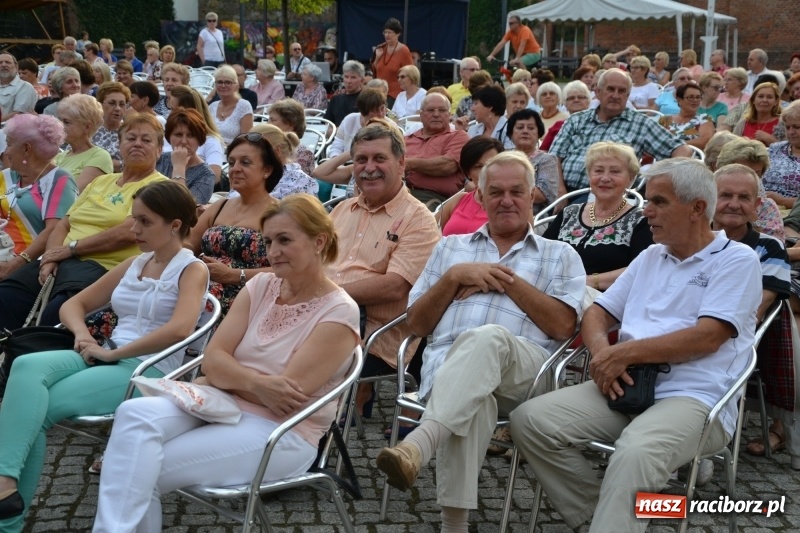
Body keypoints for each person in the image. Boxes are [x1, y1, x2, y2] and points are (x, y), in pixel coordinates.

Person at [511, 157, 762, 533]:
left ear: (697, 209)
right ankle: (602, 516)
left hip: (695, 399)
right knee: (530, 422)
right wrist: (602, 356)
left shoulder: (737, 260)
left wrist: (622, 354)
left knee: (636, 452)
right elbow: (598, 313)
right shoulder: (651, 256)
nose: (646, 210)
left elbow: (708, 337)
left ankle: (616, 519)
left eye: (659, 201)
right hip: (627, 386)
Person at [91, 193, 359, 532]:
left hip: (283, 433)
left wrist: (227, 376)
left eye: (285, 240)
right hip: (220, 403)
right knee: (133, 413)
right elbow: (213, 361)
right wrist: (253, 382)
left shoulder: (339, 311)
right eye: (268, 241)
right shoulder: (261, 286)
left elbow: (285, 399)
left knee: (139, 468)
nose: (273, 251)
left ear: (319, 242)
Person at [376, 151, 584, 533]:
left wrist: (506, 281)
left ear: (532, 196)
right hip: (450, 369)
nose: (507, 200)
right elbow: (417, 324)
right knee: (474, 402)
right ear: (481, 197)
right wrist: (454, 277)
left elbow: (563, 326)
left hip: (526, 376)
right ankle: (453, 526)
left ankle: (419, 443)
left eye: (517, 192)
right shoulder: (450, 249)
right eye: (497, 192)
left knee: (488, 339)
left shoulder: (560, 254)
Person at [0, 180, 208, 531]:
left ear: (174, 225)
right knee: (24, 364)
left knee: (38, 410)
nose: (134, 229)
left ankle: (8, 522)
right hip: (106, 353)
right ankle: (5, 484)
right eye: (134, 219)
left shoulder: (192, 269)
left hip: (149, 370)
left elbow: (180, 330)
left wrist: (116, 354)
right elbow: (73, 305)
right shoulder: (135, 264)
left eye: (144, 221)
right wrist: (82, 334)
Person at [0, 113, 168, 330]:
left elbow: (128, 232)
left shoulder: (159, 186)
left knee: (56, 313)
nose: (137, 144)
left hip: (104, 268)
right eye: (130, 138)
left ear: (159, 149)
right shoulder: (101, 181)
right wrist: (50, 258)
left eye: (146, 140)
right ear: (120, 145)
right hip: (64, 259)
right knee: (6, 296)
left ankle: (37, 350)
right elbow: (64, 224)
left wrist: (71, 249)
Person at [327, 121, 439, 419]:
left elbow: (394, 287)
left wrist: (322, 295)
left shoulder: (419, 220)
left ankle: (311, 430)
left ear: (401, 164)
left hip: (373, 332)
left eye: (379, 158)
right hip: (321, 314)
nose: (369, 168)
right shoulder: (342, 210)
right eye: (361, 160)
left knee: (292, 356)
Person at [184, 132, 280, 317]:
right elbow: (188, 245)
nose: (235, 169)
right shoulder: (220, 206)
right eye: (231, 162)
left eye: (245, 162)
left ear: (267, 170)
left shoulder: (280, 213)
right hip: (200, 291)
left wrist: (234, 275)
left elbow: (289, 269)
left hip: (247, 302)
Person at [551, 69, 692, 193]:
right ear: (598, 93)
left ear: (628, 95)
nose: (616, 95)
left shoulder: (640, 123)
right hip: (562, 192)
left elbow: (682, 149)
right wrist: (559, 191)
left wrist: (661, 180)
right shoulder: (576, 120)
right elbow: (552, 158)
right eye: (610, 89)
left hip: (607, 197)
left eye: (621, 91)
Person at [542, 141, 653, 293]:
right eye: (598, 171)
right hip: (552, 291)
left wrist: (590, 281)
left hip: (604, 299)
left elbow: (643, 268)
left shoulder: (640, 220)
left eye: (615, 171)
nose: (605, 178)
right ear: (589, 176)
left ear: (631, 178)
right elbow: (542, 254)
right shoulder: (570, 212)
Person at [0, 114, 78, 281]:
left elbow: (54, 229)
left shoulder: (59, 179)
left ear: (26, 149)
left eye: (9, 144)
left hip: (31, 266)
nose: (6, 152)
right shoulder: (5, 176)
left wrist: (16, 264)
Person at [404, 93, 471, 207]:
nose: (436, 114)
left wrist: (408, 163)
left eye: (442, 110)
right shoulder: (407, 139)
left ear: (449, 115)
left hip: (436, 200)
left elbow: (446, 166)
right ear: (421, 115)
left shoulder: (459, 137)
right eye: (430, 110)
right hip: (402, 194)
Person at [714, 137, 785, 240]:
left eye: (756, 174)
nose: (748, 178)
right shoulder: (703, 202)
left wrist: (754, 222)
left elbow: (775, 245)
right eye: (740, 172)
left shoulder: (766, 206)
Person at [439, 137, 504, 235]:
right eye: (478, 167)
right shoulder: (459, 200)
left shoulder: (513, 204)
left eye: (491, 165)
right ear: (468, 173)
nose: (485, 172)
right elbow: (429, 229)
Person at [54, 94, 113, 191]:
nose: (60, 126)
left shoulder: (99, 156)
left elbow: (74, 193)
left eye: (66, 122)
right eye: (59, 120)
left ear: (87, 127)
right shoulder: (59, 156)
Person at [155, 108, 215, 204]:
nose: (184, 141)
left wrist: (179, 166)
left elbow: (182, 207)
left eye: (190, 135)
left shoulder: (206, 175)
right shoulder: (159, 159)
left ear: (199, 139)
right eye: (178, 135)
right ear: (169, 137)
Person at [169, 85, 225, 183]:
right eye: (171, 109)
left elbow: (214, 178)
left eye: (174, 110)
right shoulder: (168, 135)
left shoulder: (211, 142)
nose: (170, 114)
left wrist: (182, 167)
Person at [508, 109, 561, 212]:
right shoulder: (502, 158)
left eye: (531, 128)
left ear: (538, 134)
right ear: (511, 133)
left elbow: (542, 195)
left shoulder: (547, 160)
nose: (525, 131)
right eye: (520, 127)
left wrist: (505, 187)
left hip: (534, 216)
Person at [247, 123, 318, 199]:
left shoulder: (298, 182)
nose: (250, 156)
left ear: (277, 151)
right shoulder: (250, 173)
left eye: (257, 151)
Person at [327, 88, 390, 158]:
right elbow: (337, 146)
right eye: (375, 111)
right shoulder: (349, 120)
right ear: (364, 111)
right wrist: (335, 158)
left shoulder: (390, 126)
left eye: (382, 108)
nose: (381, 113)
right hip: (346, 162)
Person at [761, 102, 800, 209]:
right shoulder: (775, 148)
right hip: (761, 206)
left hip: (793, 213)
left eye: (796, 127)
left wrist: (782, 201)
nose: (791, 132)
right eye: (787, 127)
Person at [658, 81, 715, 149]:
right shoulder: (665, 120)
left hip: (692, 154)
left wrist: (676, 144)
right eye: (691, 97)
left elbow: (706, 141)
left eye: (698, 97)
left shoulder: (705, 118)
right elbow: (656, 141)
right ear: (679, 100)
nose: (695, 100)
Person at [208, 65, 254, 145]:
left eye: (228, 82)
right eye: (219, 82)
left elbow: (246, 140)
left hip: (234, 150)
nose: (223, 85)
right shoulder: (212, 107)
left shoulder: (244, 106)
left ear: (236, 86)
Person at [540, 80, 591, 151]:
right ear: (565, 104)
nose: (576, 100)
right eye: (571, 98)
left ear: (588, 101)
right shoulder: (558, 126)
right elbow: (543, 151)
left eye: (580, 97)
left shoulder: (596, 124)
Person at [371, 18, 413, 103]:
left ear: (398, 34)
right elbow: (373, 70)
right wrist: (377, 58)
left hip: (396, 94)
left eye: (390, 32)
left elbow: (411, 74)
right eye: (385, 32)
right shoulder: (380, 48)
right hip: (379, 93)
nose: (387, 35)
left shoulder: (404, 51)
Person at [269, 99, 315, 175]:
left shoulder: (304, 154)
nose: (268, 124)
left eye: (272, 120)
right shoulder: (267, 147)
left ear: (290, 125)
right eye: (268, 120)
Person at [93, 82, 130, 173]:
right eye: (112, 103)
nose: (117, 108)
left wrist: (98, 162)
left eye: (122, 104)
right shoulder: (88, 129)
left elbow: (134, 165)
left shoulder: (130, 132)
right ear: (100, 105)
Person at [324, 60, 364, 127]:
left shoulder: (366, 99)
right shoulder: (336, 99)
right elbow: (327, 123)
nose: (349, 81)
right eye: (346, 77)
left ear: (362, 80)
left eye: (353, 77)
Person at [0, 53, 37, 123]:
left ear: (16, 67)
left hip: (11, 129)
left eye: (7, 62)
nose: (3, 65)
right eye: (0, 63)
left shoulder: (25, 86)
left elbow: (20, 114)